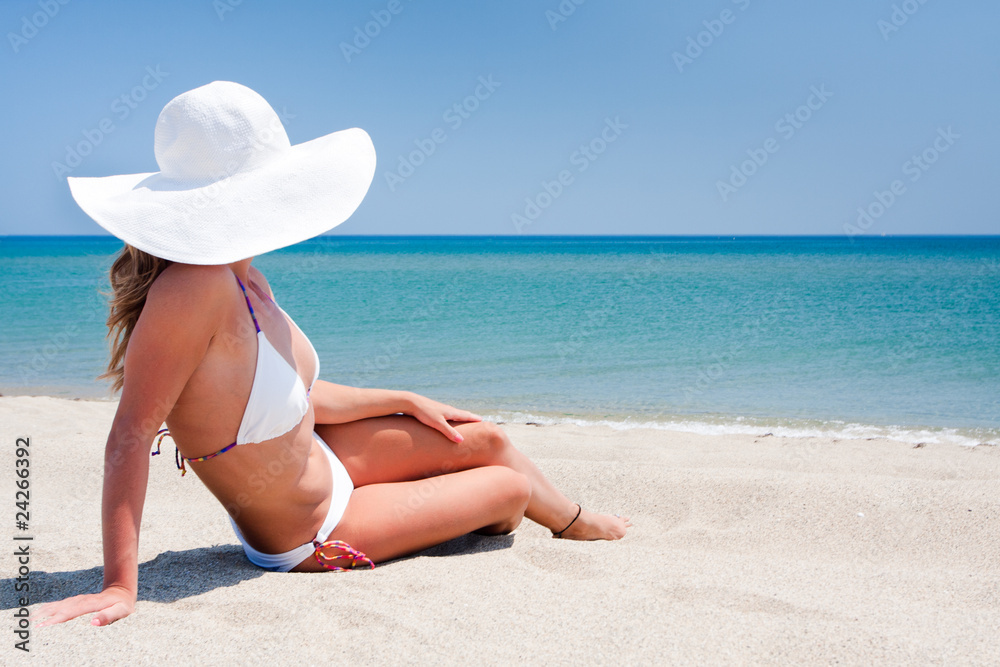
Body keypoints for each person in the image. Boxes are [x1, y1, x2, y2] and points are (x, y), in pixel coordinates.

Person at [35, 81, 630, 628]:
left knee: (488, 439)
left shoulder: (247, 276)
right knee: (508, 489)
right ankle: (567, 526)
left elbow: (288, 393)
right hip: (312, 530)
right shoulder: (193, 289)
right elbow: (131, 434)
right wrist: (119, 586)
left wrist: (401, 399)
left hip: (325, 459)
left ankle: (561, 516)